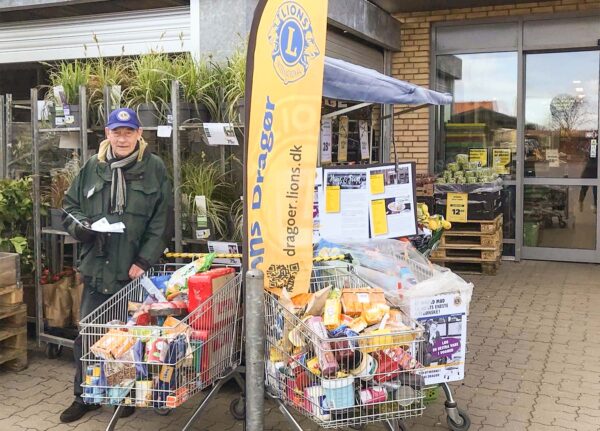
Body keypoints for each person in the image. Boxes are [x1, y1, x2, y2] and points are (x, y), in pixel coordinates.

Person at [59, 108, 173, 423]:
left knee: (124, 336)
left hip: (131, 271)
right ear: (107, 135)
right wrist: (81, 227)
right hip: (96, 267)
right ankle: (84, 396)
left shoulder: (154, 169)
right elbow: (69, 207)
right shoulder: (92, 169)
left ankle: (121, 395)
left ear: (139, 135)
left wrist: (143, 260)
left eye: (128, 132)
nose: (122, 138)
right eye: (116, 132)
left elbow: (162, 222)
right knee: (89, 334)